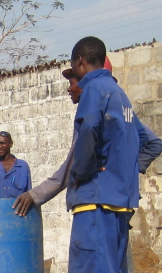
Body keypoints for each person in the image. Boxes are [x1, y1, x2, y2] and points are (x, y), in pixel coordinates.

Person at [64, 36, 151, 273]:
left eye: (74, 70)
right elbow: (152, 143)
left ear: (81, 63)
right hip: (119, 205)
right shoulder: (121, 96)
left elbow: (88, 133)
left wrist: (83, 173)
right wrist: (124, 168)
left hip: (94, 205)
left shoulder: (94, 90)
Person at [13, 59, 162, 217]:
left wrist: (35, 195)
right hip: (122, 199)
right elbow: (153, 143)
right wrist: (125, 169)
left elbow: (73, 166)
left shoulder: (91, 118)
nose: (69, 89)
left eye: (72, 82)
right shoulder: (120, 111)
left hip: (97, 201)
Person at [0, 131, 32, 199]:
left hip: (17, 209)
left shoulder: (23, 166)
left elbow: (29, 194)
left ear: (10, 144)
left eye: (2, 143)